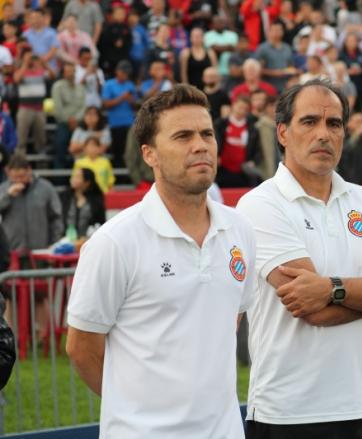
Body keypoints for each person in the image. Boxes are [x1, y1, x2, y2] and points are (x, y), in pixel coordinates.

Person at [66, 84, 257, 438]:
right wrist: (136, 411)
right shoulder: (114, 242)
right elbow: (81, 349)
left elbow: (230, 319)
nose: (200, 145)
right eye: (183, 136)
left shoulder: (240, 230)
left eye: (206, 134)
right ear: (149, 154)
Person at [236, 78, 362, 439]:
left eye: (334, 124)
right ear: (282, 132)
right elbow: (312, 309)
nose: (324, 134)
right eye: (309, 121)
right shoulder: (259, 204)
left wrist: (330, 287)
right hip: (288, 414)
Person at [0, 154, 63, 251]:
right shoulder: (3, 189)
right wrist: (8, 196)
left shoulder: (46, 188)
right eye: (14, 177)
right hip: (12, 250)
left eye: (21, 176)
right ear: (8, 173)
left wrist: (54, 243)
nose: (18, 180)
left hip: (41, 250)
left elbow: (56, 217)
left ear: (29, 170)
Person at [52, 62, 86, 168]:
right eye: (69, 71)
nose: (71, 74)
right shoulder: (57, 87)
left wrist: (76, 120)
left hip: (79, 123)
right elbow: (57, 108)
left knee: (84, 146)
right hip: (63, 123)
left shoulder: (81, 87)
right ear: (63, 73)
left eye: (73, 71)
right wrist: (69, 120)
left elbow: (83, 107)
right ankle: (60, 177)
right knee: (60, 144)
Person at [65, 167, 106, 238]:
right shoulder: (65, 197)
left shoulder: (96, 201)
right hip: (66, 240)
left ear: (87, 182)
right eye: (73, 176)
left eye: (77, 177)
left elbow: (101, 222)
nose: (73, 179)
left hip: (89, 240)